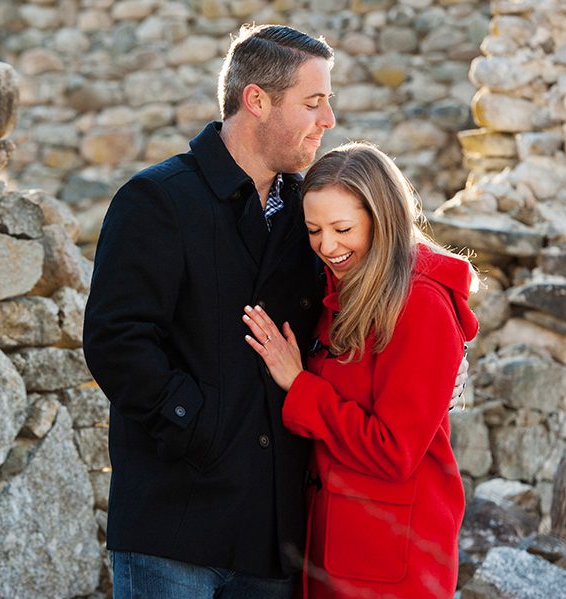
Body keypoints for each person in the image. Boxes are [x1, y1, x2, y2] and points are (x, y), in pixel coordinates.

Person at [84, 23, 466, 599]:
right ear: (256, 100)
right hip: (176, 521)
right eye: (313, 102)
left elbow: (386, 269)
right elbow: (116, 341)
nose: (328, 119)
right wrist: (198, 426)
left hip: (278, 539)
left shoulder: (305, 216)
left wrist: (449, 339)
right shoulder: (158, 199)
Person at [241, 141, 479, 598]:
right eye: (313, 230)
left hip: (393, 562)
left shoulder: (420, 303)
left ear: (382, 219)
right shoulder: (343, 290)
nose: (327, 246)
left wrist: (299, 386)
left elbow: (395, 451)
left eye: (342, 228)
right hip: (339, 551)